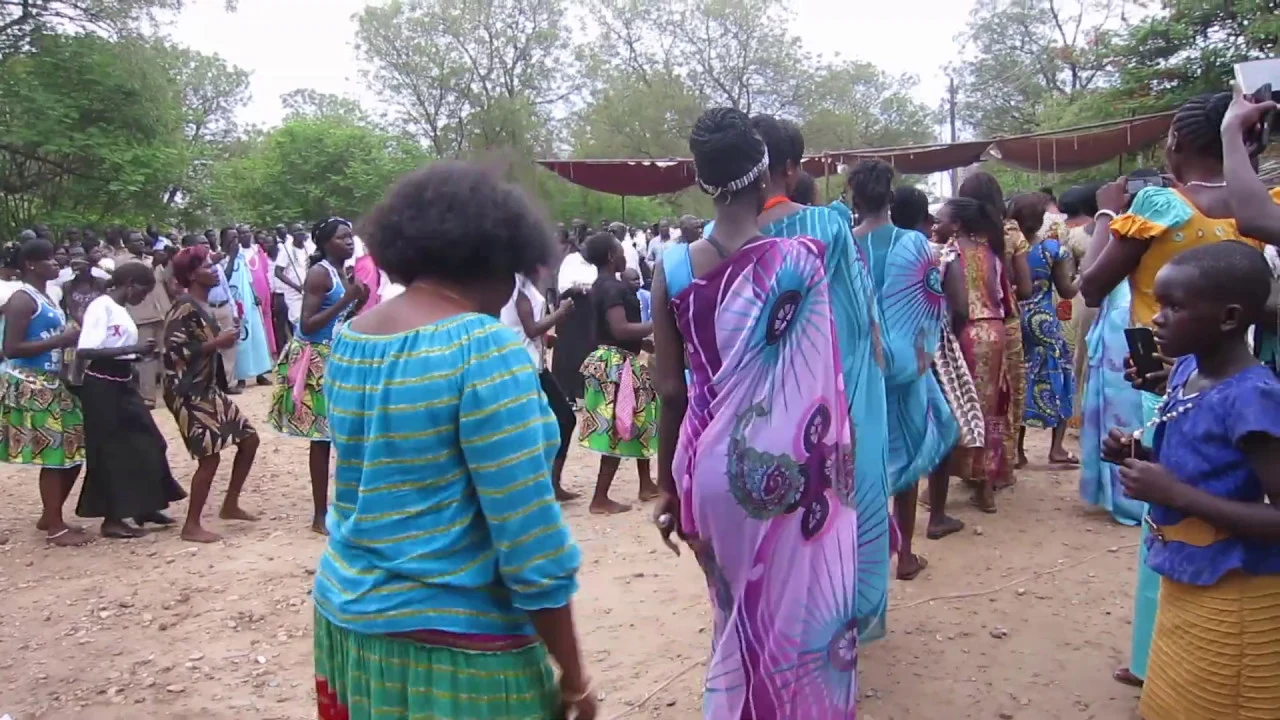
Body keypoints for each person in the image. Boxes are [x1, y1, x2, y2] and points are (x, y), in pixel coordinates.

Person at [313, 161, 595, 720]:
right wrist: (575, 676)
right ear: (495, 255)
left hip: (350, 625)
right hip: (457, 649)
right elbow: (527, 535)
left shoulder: (352, 339)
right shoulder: (483, 349)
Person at [651, 107, 859, 718]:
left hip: (711, 474)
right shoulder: (802, 259)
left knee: (731, 615)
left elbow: (669, 392)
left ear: (700, 178)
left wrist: (670, 486)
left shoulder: (671, 269)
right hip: (792, 472)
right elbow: (824, 381)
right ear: (766, 169)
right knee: (795, 622)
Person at [1080, 91, 1269, 690]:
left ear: (1175, 146)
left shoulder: (1158, 204)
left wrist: (1112, 217)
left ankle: (1154, 653)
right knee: (1214, 479)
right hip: (1214, 366)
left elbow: (1090, 285)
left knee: (1171, 498)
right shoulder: (1261, 205)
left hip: (1161, 366)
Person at [1101, 241, 1280, 720]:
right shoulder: (1186, 372)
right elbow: (1209, 465)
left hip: (1234, 592)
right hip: (1188, 577)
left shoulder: (1253, 400)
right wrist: (1142, 456)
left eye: (1174, 307)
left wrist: (1172, 492)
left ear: (1229, 318)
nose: (1157, 318)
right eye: (1160, 304)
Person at [748, 114, 892, 641]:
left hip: (755, 405)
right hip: (822, 395)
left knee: (769, 509)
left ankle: (770, 621)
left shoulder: (715, 243)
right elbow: (859, 323)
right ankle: (839, 617)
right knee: (831, 504)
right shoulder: (827, 226)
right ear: (792, 167)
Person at [849, 160, 958, 581]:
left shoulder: (843, 246)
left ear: (853, 200)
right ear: (891, 198)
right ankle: (906, 554)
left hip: (859, 372)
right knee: (910, 454)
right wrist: (919, 357)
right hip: (907, 369)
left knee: (864, 460)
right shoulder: (915, 245)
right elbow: (931, 306)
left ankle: (864, 560)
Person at [268, 218, 367, 535]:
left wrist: (355, 302)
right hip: (315, 358)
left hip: (335, 355)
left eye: (351, 237)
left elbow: (339, 318)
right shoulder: (319, 273)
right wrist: (346, 299)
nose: (349, 242)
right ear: (325, 243)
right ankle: (319, 515)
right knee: (322, 438)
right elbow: (307, 324)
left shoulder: (341, 272)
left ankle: (346, 504)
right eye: (342, 238)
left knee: (346, 431)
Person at [75, 262, 184, 538]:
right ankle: (111, 519)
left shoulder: (120, 310)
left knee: (150, 442)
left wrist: (137, 355)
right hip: (102, 385)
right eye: (144, 291)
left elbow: (114, 348)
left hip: (122, 381)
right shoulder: (101, 306)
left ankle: (145, 505)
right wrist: (131, 348)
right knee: (111, 452)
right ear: (131, 283)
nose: (144, 298)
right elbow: (86, 349)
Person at [161, 245, 260, 543]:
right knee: (210, 458)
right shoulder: (184, 308)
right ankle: (191, 526)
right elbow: (173, 354)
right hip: (187, 391)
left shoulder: (199, 305)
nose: (213, 268)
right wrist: (216, 343)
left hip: (204, 387)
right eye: (205, 265)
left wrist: (220, 342)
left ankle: (230, 505)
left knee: (249, 440)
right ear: (191, 275)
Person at [0, 239, 88, 546]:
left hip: (52, 381)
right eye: (49, 260)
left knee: (75, 447)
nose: (56, 263)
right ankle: (55, 528)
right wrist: (61, 340)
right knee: (55, 454)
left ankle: (51, 515)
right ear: (31, 265)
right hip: (29, 382)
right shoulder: (22, 300)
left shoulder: (48, 296)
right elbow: (10, 348)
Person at [933, 197, 1009, 516]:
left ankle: (943, 489)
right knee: (990, 409)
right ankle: (986, 487)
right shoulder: (990, 251)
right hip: (996, 330)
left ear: (957, 224)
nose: (936, 224)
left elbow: (958, 304)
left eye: (942, 220)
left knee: (959, 407)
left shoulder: (951, 253)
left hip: (966, 332)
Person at [579, 231, 658, 514]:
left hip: (618, 358)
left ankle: (646, 484)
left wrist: (642, 341)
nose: (625, 255)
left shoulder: (601, 285)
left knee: (640, 419)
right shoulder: (614, 288)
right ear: (613, 256)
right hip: (617, 364)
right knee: (617, 425)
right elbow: (620, 328)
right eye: (620, 251)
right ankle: (599, 498)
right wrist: (656, 323)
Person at [958, 171, 1030, 484]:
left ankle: (967, 468)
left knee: (966, 398)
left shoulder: (956, 238)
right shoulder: (1010, 234)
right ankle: (999, 470)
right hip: (1006, 326)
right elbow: (1025, 287)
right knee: (1005, 398)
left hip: (964, 327)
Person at [1009, 192, 1078, 465]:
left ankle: (1018, 451)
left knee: (1020, 380)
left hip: (1016, 318)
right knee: (1059, 376)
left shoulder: (1008, 249)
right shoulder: (1051, 251)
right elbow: (1067, 291)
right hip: (1044, 322)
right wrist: (1083, 278)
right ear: (1040, 222)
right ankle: (1057, 448)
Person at [500, 265, 579, 501]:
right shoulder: (517, 287)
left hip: (530, 362)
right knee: (562, 419)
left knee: (553, 421)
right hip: (526, 366)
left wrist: (546, 338)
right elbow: (531, 328)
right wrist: (560, 313)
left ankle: (548, 484)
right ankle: (546, 485)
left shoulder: (517, 284)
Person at [221, 227, 273, 389]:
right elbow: (225, 278)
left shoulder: (242, 256)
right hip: (234, 302)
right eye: (232, 238)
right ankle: (241, 376)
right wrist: (232, 258)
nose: (236, 241)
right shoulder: (221, 258)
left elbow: (248, 278)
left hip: (249, 300)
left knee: (257, 336)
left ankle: (260, 373)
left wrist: (254, 293)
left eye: (237, 237)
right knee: (241, 339)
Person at [122, 238, 171, 408]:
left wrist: (168, 261)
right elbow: (141, 277)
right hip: (141, 315)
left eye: (142, 240)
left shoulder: (151, 260)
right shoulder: (124, 262)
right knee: (147, 357)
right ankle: (148, 396)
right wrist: (155, 263)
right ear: (127, 244)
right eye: (135, 241)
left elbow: (167, 281)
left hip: (162, 312)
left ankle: (171, 392)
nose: (140, 243)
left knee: (168, 354)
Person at [552, 222, 596, 402]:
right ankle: (567, 393)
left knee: (587, 350)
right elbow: (564, 286)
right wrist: (582, 288)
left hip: (590, 312)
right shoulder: (571, 260)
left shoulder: (595, 263)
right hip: (572, 310)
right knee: (568, 351)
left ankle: (583, 391)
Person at [273, 223, 312, 334]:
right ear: (291, 234)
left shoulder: (309, 248)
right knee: (299, 324)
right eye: (296, 231)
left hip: (310, 292)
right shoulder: (286, 250)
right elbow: (277, 272)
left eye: (301, 230)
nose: (300, 233)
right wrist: (296, 287)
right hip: (295, 294)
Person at [247, 230, 278, 359]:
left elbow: (266, 271)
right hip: (253, 293)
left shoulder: (257, 251)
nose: (263, 242)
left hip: (265, 289)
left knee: (268, 320)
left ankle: (272, 350)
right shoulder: (242, 253)